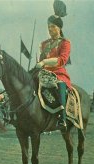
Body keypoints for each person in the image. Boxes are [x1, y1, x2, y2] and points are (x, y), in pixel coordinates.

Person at [35, 0, 71, 132]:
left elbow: (62, 60)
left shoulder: (65, 43)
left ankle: (62, 117)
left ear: (59, 28)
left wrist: (44, 62)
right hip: (44, 73)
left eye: (53, 27)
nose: (50, 29)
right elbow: (40, 60)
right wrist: (39, 63)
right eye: (49, 27)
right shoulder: (44, 44)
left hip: (58, 73)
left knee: (59, 84)